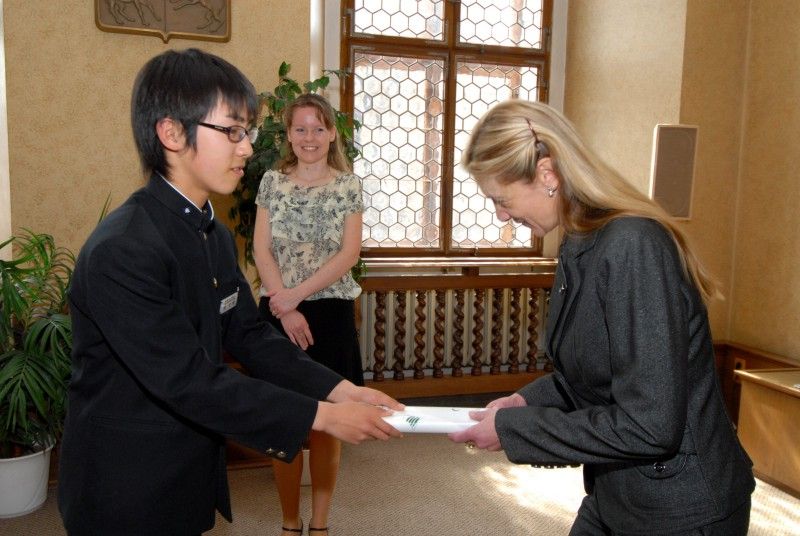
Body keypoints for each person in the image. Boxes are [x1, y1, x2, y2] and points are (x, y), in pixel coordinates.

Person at [57, 48, 402, 536]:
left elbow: (251, 335)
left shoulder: (212, 234)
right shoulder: (124, 248)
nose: (246, 149)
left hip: (187, 466)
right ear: (172, 133)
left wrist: (341, 389)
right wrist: (321, 416)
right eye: (233, 132)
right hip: (126, 480)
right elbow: (188, 380)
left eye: (249, 133)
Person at [449, 99, 755, 535]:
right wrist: (525, 402)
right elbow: (591, 374)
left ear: (548, 175)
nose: (500, 214)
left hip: (681, 508)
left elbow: (651, 425)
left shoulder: (632, 245)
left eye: (501, 199)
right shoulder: (579, 241)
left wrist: (517, 429)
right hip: (617, 491)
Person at [252, 92, 364, 536]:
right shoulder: (271, 182)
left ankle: (319, 525)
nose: (310, 137)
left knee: (328, 425)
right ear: (289, 134)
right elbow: (261, 249)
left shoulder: (348, 185)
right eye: (300, 128)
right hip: (277, 313)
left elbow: (348, 253)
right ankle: (288, 523)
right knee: (282, 423)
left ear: (333, 133)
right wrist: (284, 307)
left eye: (319, 128)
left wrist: (295, 297)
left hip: (329, 314)